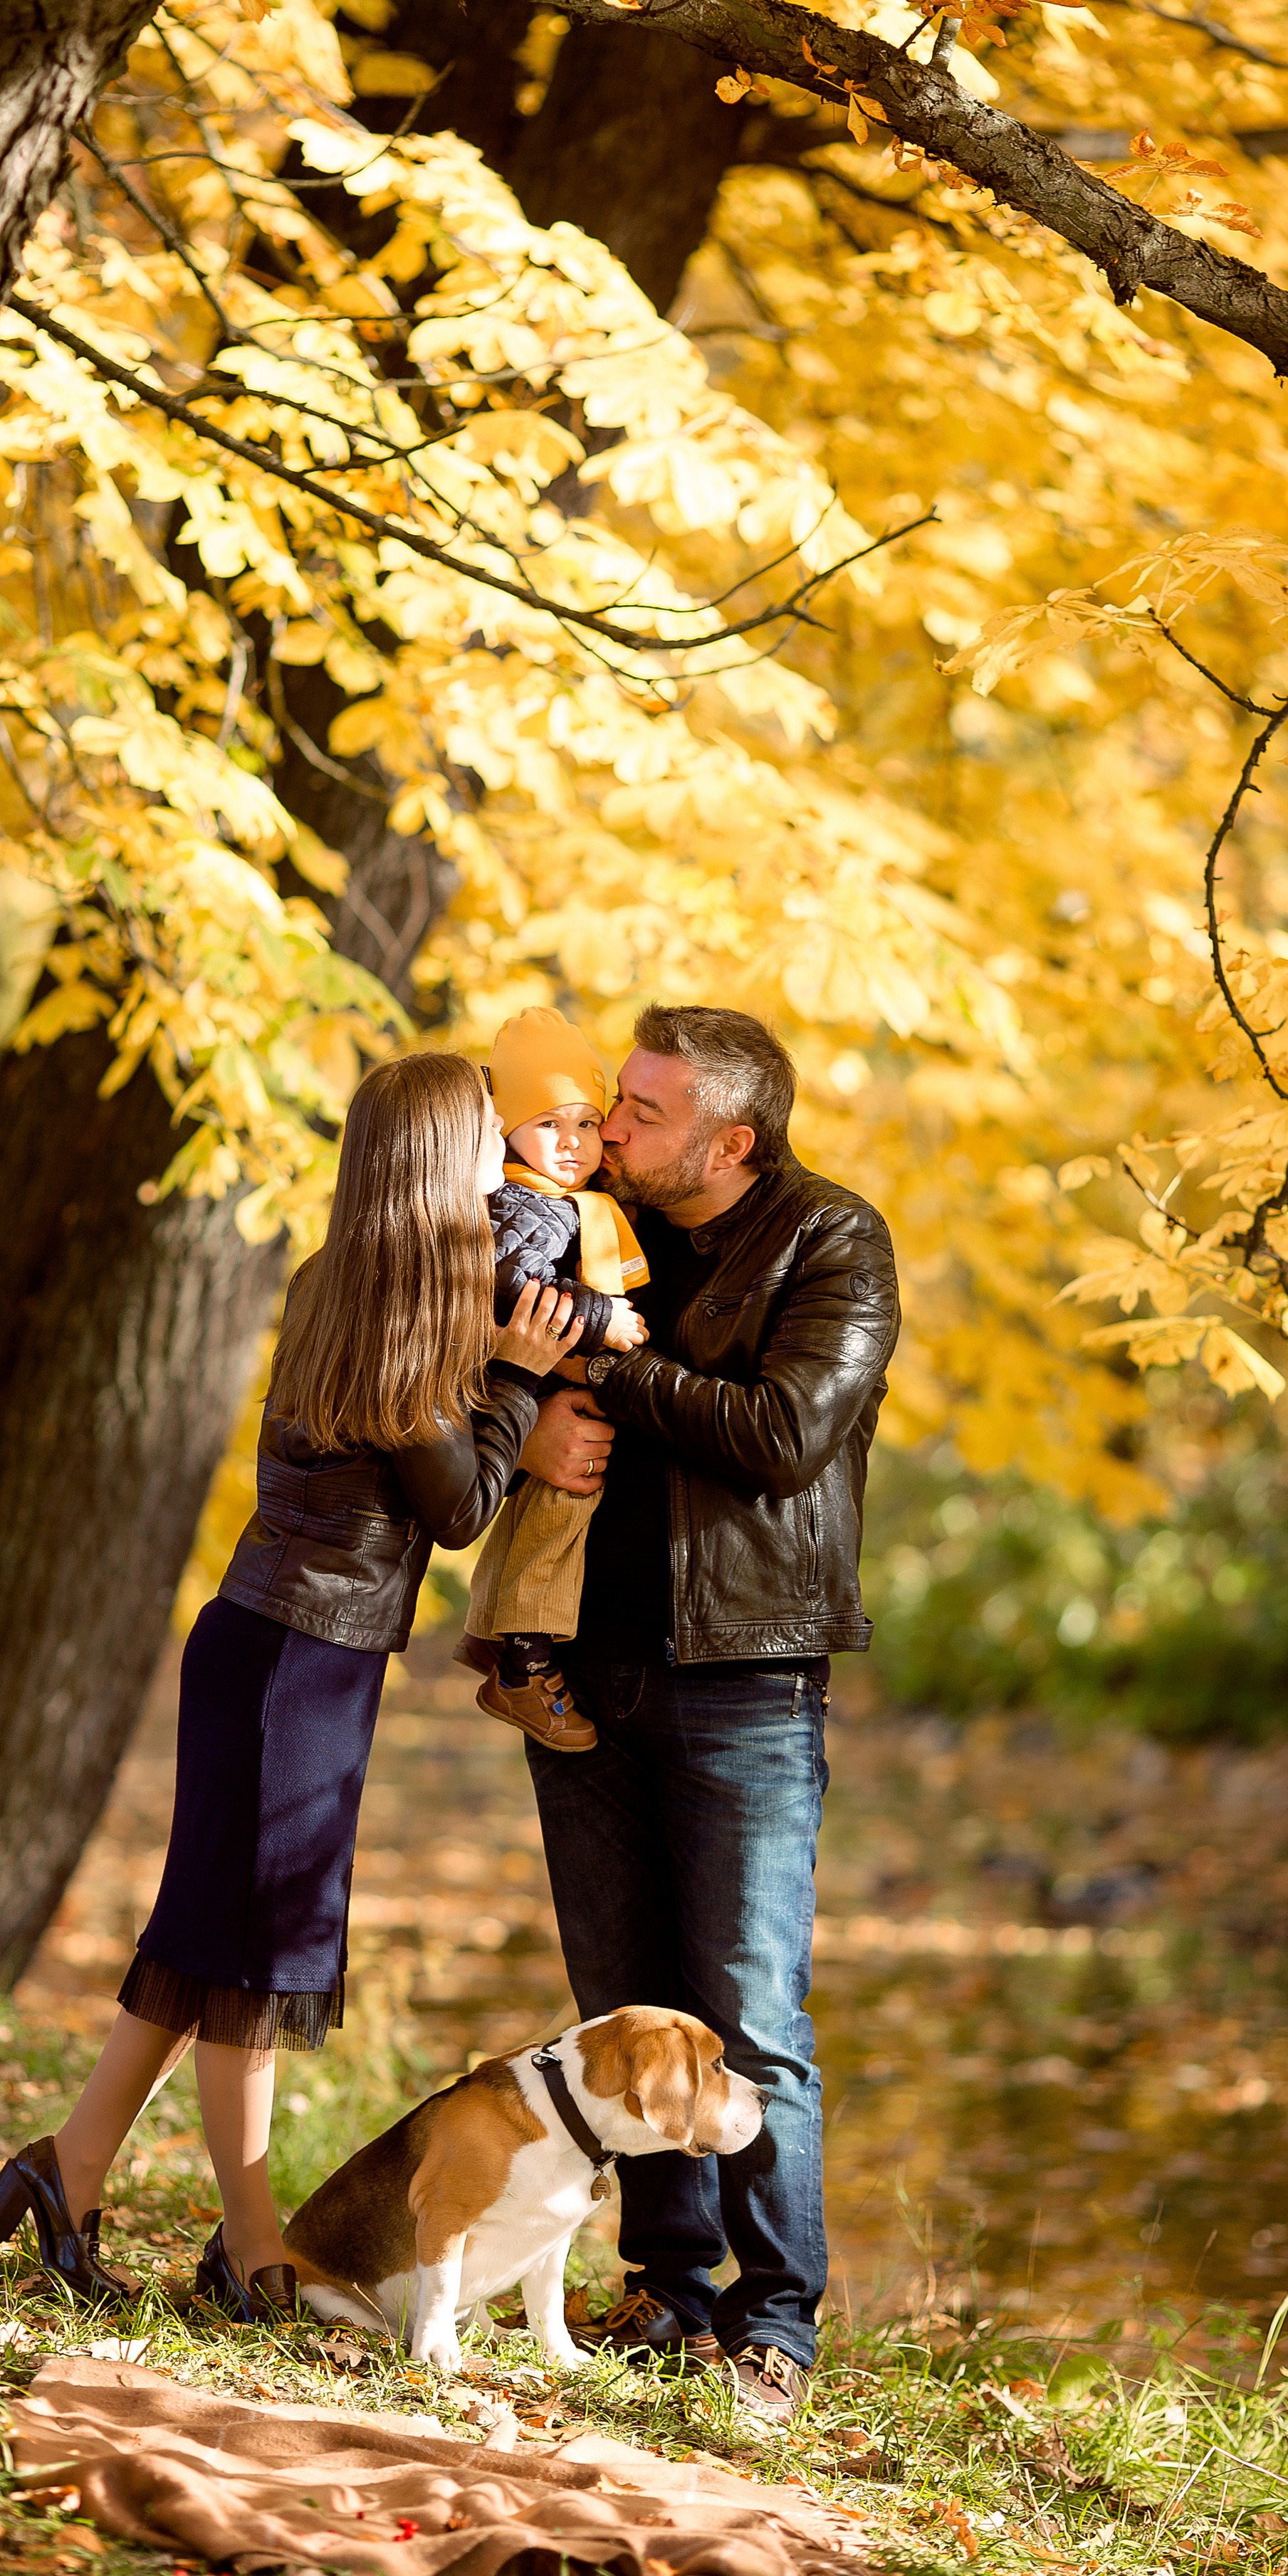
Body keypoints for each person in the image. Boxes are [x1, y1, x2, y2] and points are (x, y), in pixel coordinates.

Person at [0, 1051, 582, 2320]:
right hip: (300, 1658)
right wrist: (519, 1380)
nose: (503, 1155)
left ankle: (66, 2172)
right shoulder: (406, 1314)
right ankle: (251, 2244)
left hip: (273, 1644)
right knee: (257, 1955)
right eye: (484, 1136)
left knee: (202, 1942)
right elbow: (460, 1508)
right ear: (435, 1157)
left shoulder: (341, 1279)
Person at [512, 1004, 899, 2419]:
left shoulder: (830, 1243)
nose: (611, 1127)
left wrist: (602, 1368)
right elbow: (486, 1329)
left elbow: (783, 1438)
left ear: (733, 1141)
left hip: (743, 1670)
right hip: (578, 1662)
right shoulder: (580, 1216)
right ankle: (662, 2289)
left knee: (745, 2020)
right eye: (615, 1100)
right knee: (625, 2004)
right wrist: (525, 1418)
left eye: (644, 1111)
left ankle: (774, 2322)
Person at [461, 1007, 649, 1752]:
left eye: (585, 1122)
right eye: (548, 1125)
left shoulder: (567, 1203)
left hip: (537, 1377)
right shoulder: (524, 1204)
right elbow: (512, 1284)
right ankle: (525, 1658)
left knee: (551, 1511)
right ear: (506, 1130)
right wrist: (600, 1313)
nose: (571, 1143)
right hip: (527, 1382)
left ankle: (505, 1644)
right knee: (566, 1499)